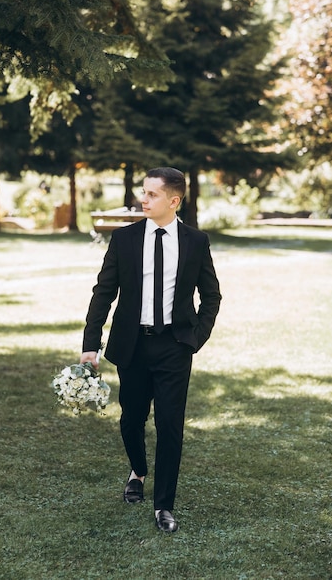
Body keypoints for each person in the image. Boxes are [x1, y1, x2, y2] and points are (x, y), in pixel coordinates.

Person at [80, 167, 221, 533]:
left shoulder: (195, 241)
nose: (144, 200)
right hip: (133, 344)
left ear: (174, 201)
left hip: (175, 346)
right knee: (131, 419)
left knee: (170, 425)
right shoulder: (124, 240)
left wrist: (196, 337)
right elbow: (103, 292)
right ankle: (138, 472)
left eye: (152, 195)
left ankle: (164, 506)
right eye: (143, 193)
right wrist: (90, 344)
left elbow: (212, 295)